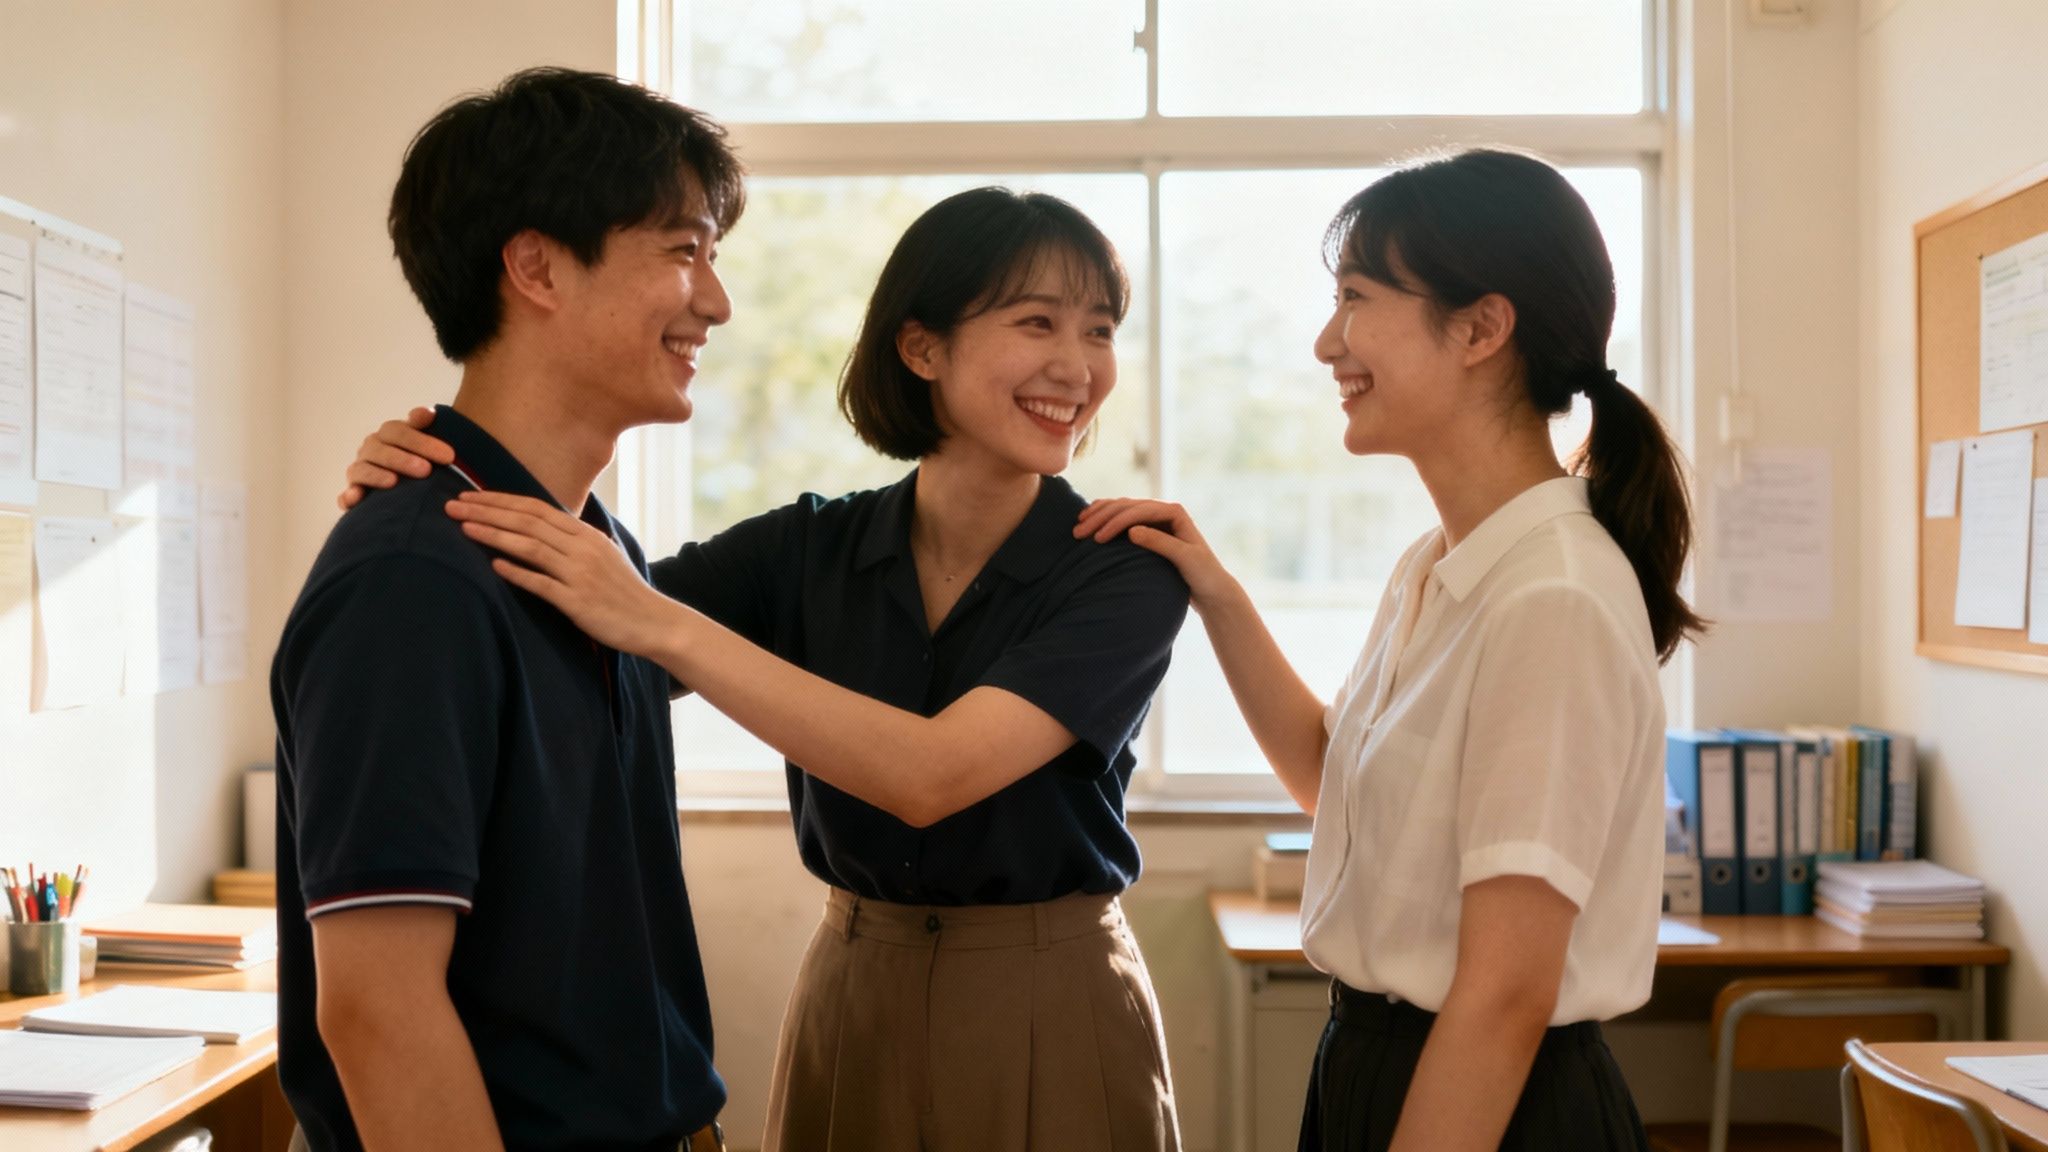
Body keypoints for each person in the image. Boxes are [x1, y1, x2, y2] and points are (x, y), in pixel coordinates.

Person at [336, 187, 1190, 1152]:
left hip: (1052, 993)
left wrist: (663, 624)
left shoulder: (1124, 574)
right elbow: (570, 639)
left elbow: (931, 775)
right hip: (852, 987)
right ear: (921, 348)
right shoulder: (808, 548)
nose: (1077, 368)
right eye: (1038, 322)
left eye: (1102, 330)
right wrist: (445, 469)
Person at [1075, 148, 1701, 1152]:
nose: (1328, 342)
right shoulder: (1435, 566)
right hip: (1375, 1064)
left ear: (1480, 328)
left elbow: (1502, 995)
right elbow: (1336, 784)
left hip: (1490, 1098)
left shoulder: (1552, 598)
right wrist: (1216, 593)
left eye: (1356, 298)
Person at [272, 66, 742, 1152]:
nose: (713, 302)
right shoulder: (413, 581)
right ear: (535, 266)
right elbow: (377, 1011)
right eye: (682, 252)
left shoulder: (594, 553)